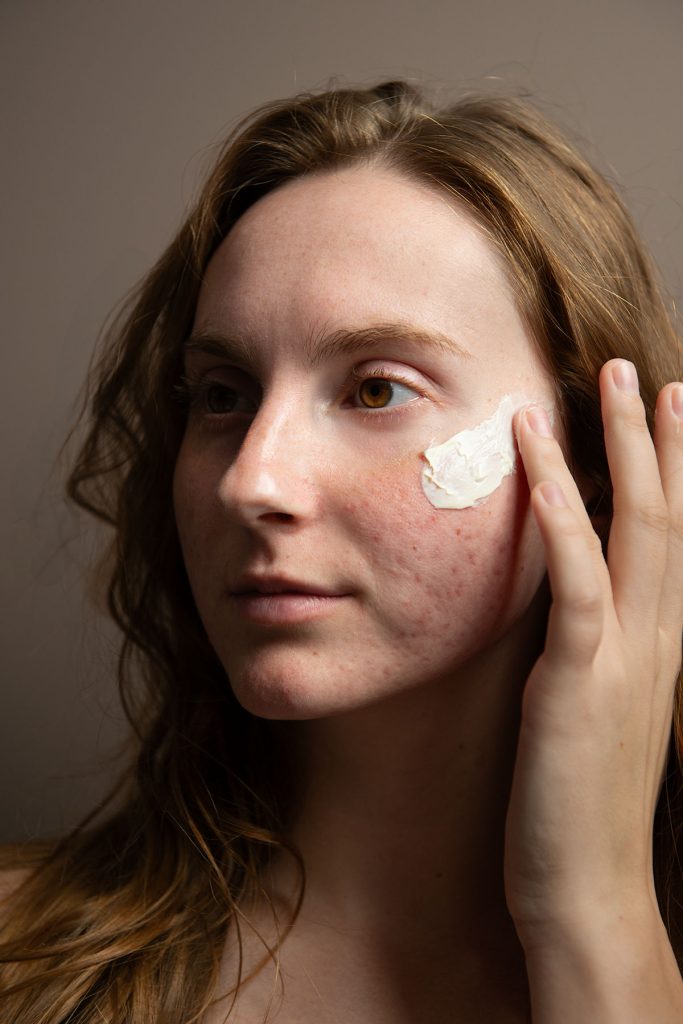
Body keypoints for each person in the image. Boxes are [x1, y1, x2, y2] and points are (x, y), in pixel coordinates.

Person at [0, 79, 682, 1023]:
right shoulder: (22, 967)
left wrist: (597, 926)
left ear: (597, 466)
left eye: (374, 391)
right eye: (223, 395)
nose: (250, 482)